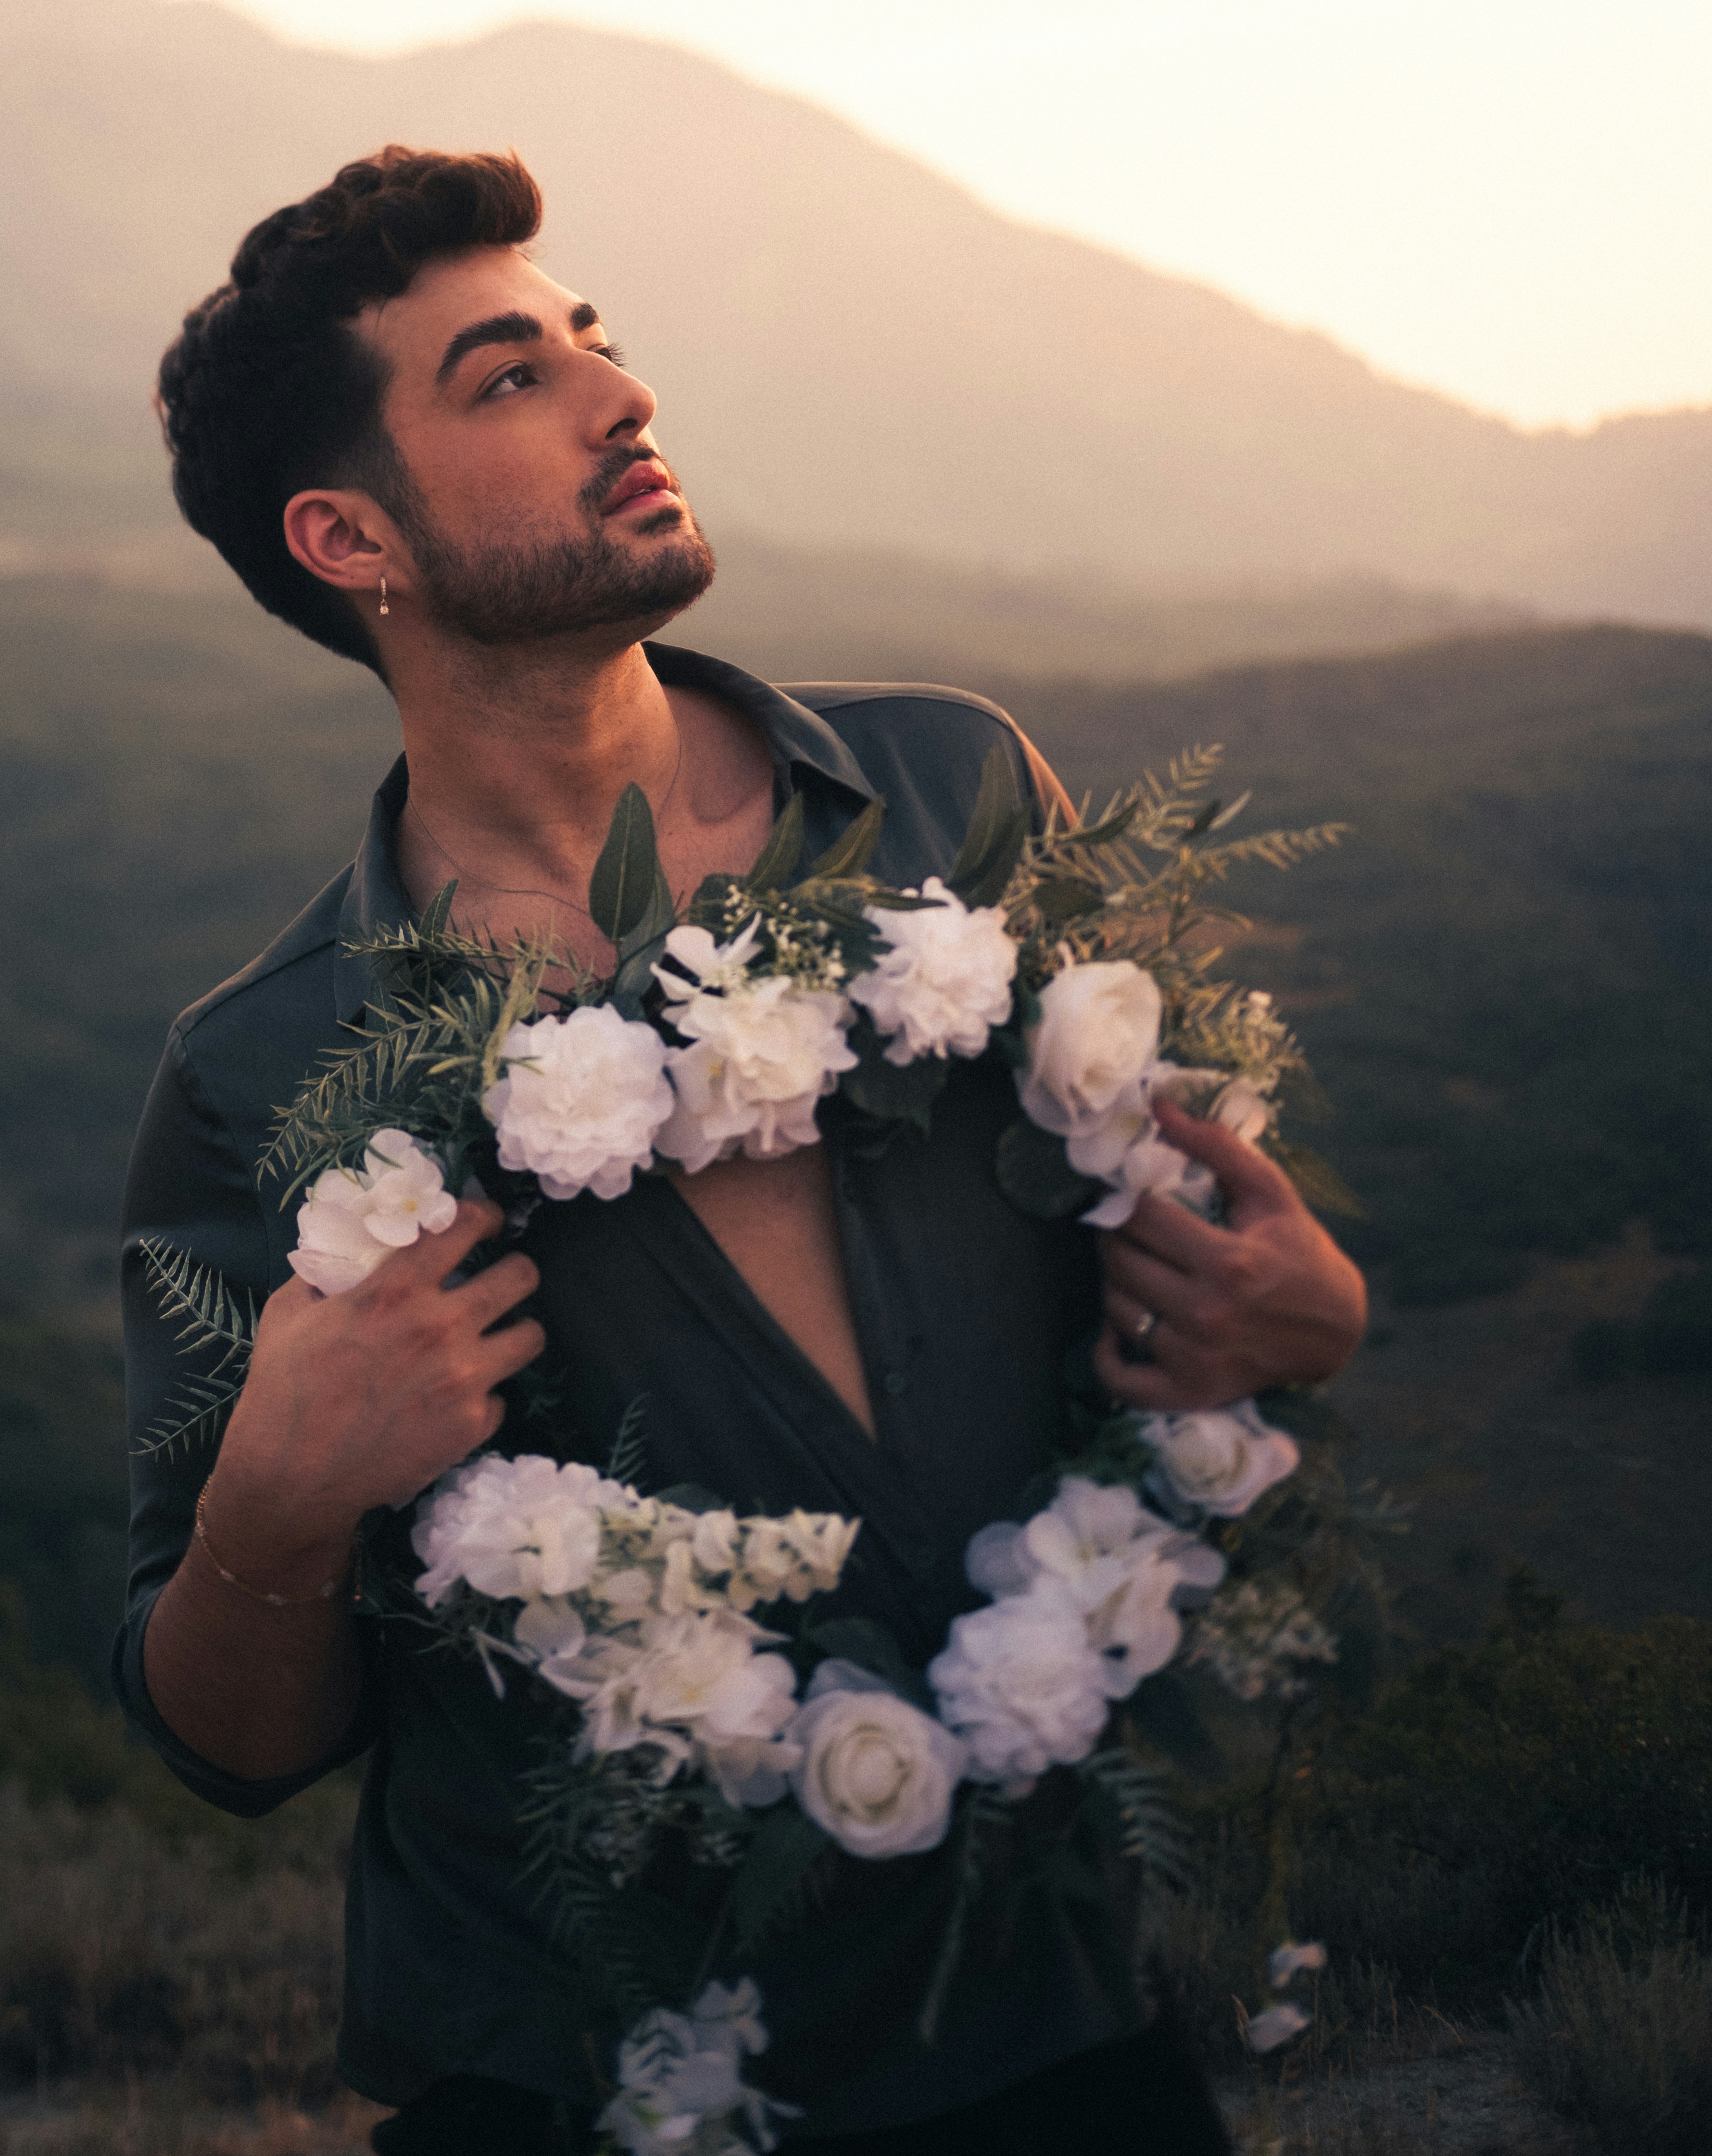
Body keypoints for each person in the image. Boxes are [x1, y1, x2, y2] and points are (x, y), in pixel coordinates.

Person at [116, 147, 1367, 2152]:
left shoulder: (954, 794)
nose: (625, 397)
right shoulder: (269, 1069)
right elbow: (227, 1744)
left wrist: (1309, 1312)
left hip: (1042, 2010)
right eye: (511, 377)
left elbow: (1212, 1253)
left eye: (596, 342)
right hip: (574, 2071)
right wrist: (271, 1505)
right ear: (352, 534)